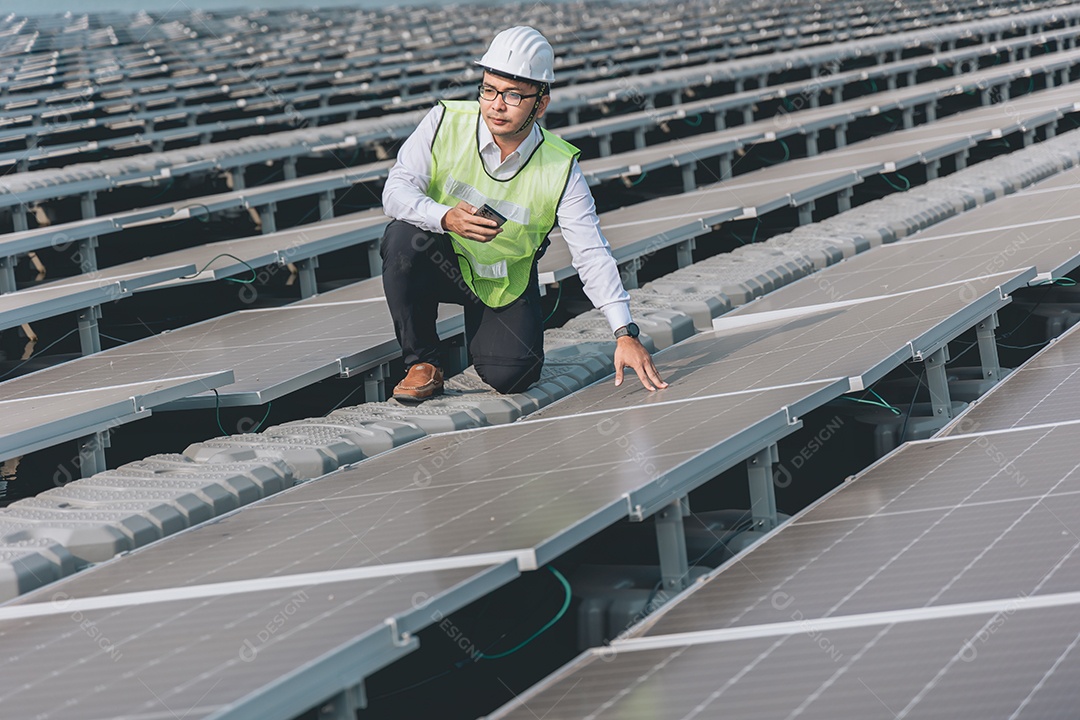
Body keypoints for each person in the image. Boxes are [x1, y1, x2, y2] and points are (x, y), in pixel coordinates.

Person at [380, 25, 667, 402]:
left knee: (511, 376)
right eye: (489, 89)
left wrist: (624, 333)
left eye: (513, 95)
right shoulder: (443, 122)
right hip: (441, 262)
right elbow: (395, 191)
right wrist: (445, 217)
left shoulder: (560, 166)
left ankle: (491, 330)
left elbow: (590, 252)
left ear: (540, 104)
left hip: (502, 281)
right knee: (403, 237)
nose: (496, 105)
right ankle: (423, 362)